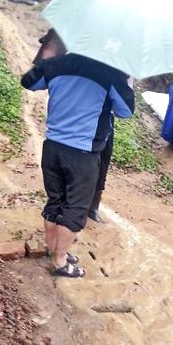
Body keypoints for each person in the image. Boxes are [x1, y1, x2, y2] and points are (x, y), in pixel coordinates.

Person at [21, 52, 134, 278]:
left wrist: (51, 58)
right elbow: (125, 111)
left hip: (52, 147)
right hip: (82, 154)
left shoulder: (58, 63)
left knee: (56, 200)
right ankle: (60, 261)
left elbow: (29, 82)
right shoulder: (110, 73)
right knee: (75, 209)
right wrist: (127, 83)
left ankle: (54, 248)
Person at [33, 29, 120, 224]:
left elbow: (33, 77)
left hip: (88, 127)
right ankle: (69, 229)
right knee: (75, 192)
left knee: (99, 165)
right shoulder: (72, 42)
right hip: (83, 136)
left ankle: (88, 208)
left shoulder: (112, 48)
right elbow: (125, 110)